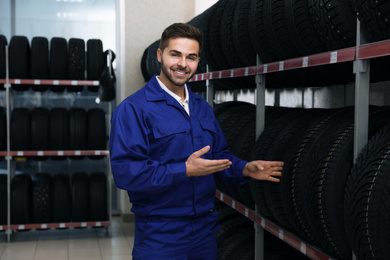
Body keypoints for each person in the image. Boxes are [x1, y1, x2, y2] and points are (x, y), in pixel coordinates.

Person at [109, 22, 284, 260]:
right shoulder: (133, 109)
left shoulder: (202, 107)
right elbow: (126, 172)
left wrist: (245, 168)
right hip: (160, 234)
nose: (183, 64)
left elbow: (217, 156)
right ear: (160, 55)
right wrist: (184, 170)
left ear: (198, 61)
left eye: (191, 57)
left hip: (204, 231)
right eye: (175, 54)